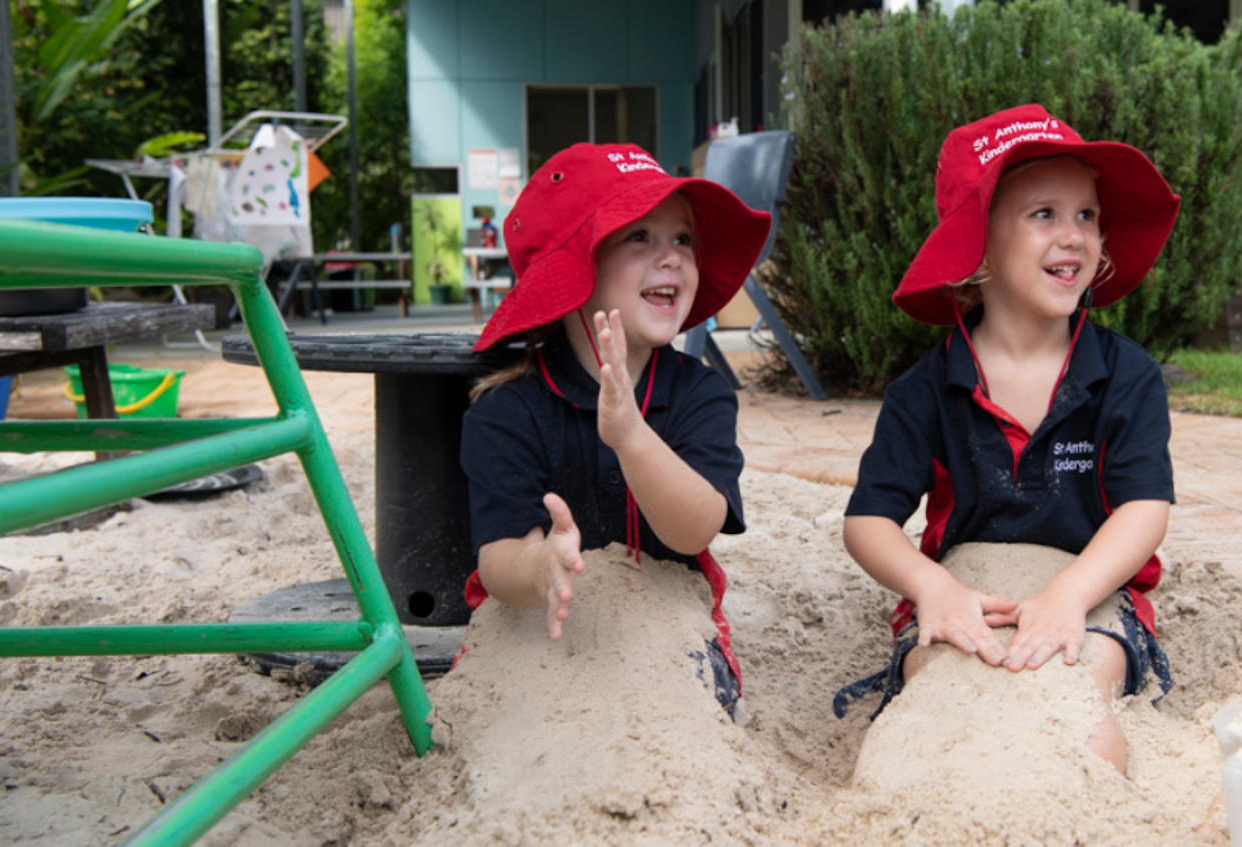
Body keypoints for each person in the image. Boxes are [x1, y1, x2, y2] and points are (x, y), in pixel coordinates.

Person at [835, 104, 1181, 773]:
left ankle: (1085, 803)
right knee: (929, 699)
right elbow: (868, 521)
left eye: (1087, 215)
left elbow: (1145, 510)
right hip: (965, 589)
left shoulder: (1125, 374)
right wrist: (929, 586)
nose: (1075, 235)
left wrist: (1070, 595)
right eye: (1044, 214)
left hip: (1092, 584)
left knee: (1080, 691)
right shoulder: (927, 386)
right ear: (979, 244)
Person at [461, 142, 771, 713]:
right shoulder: (508, 409)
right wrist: (540, 567)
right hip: (537, 630)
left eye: (683, 238)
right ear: (576, 268)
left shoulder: (700, 393)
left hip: (666, 628)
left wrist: (631, 435)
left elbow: (695, 530)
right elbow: (499, 558)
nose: (673, 257)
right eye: (639, 237)